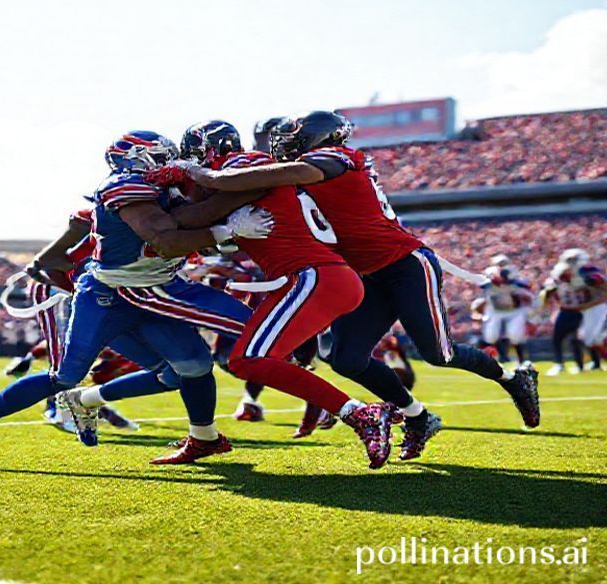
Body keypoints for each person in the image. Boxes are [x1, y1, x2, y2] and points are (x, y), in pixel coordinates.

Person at [177, 110, 540, 444]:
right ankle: (417, 416)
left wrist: (210, 176)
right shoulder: (302, 169)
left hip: (404, 263)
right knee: (347, 358)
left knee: (438, 353)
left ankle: (511, 379)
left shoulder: (340, 157)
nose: (284, 147)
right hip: (363, 272)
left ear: (318, 138)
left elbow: (292, 174)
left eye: (292, 139)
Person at [0, 130, 269, 469]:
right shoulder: (122, 188)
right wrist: (226, 230)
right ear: (132, 161)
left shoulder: (168, 190)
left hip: (154, 292)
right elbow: (166, 238)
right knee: (64, 375)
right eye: (160, 155)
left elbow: (195, 228)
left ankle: (92, 403)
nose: (170, 161)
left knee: (190, 369)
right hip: (107, 296)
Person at [541, 249, 606, 375]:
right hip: (568, 309)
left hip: (585, 308)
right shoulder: (558, 273)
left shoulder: (588, 272)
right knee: (558, 337)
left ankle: (590, 364)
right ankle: (559, 364)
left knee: (584, 338)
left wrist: (593, 295)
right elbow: (549, 290)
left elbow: (601, 284)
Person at [476, 256, 535, 364]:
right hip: (495, 309)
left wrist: (514, 287)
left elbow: (526, 286)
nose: (501, 266)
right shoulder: (489, 273)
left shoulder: (514, 274)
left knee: (515, 336)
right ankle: (485, 359)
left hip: (514, 310)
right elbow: (482, 285)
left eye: (503, 263)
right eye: (499, 263)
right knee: (490, 336)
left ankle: (522, 361)